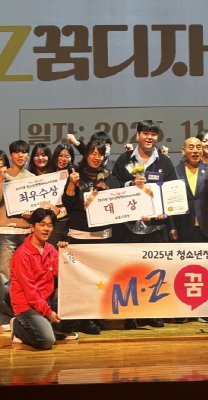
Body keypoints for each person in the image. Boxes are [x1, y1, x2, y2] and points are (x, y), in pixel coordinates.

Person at [62, 140, 120, 334]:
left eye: (100, 154)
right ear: (86, 155)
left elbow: (120, 203)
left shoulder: (110, 177)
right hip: (80, 236)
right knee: (81, 279)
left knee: (99, 279)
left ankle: (94, 316)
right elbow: (68, 204)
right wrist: (72, 185)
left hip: (103, 236)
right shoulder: (75, 174)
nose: (97, 157)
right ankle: (82, 318)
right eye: (93, 153)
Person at [9, 208, 74, 349]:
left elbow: (64, 275)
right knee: (46, 341)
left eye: (49, 225)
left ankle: (51, 327)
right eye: (42, 224)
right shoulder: (22, 255)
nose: (46, 229)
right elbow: (30, 293)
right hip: (27, 306)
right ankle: (18, 327)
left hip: (45, 300)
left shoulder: (50, 249)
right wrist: (49, 313)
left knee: (72, 291)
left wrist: (64, 254)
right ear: (32, 227)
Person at [0, 140, 35, 331]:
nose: (20, 155)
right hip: (6, 231)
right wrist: (0, 180)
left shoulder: (32, 177)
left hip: (26, 232)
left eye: (24, 152)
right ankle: (4, 315)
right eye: (17, 152)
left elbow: (36, 205)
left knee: (25, 277)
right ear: (11, 155)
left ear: (28, 155)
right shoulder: (2, 174)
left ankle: (23, 312)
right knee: (4, 276)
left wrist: (32, 214)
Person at [112, 120, 178, 245]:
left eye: (153, 134)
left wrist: (164, 211)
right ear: (138, 135)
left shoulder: (165, 162)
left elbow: (172, 192)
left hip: (157, 230)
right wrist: (131, 184)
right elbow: (113, 186)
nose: (149, 137)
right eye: (145, 133)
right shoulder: (124, 159)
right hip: (127, 230)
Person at [174, 137, 208, 243]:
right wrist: (172, 226)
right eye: (191, 147)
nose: (195, 150)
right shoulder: (176, 171)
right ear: (183, 151)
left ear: (202, 151)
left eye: (198, 147)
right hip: (184, 225)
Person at [46, 143, 76, 246]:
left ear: (71, 158)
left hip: (71, 223)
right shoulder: (48, 176)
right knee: (51, 252)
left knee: (68, 254)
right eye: (60, 155)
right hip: (55, 222)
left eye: (67, 156)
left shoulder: (75, 175)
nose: (63, 159)